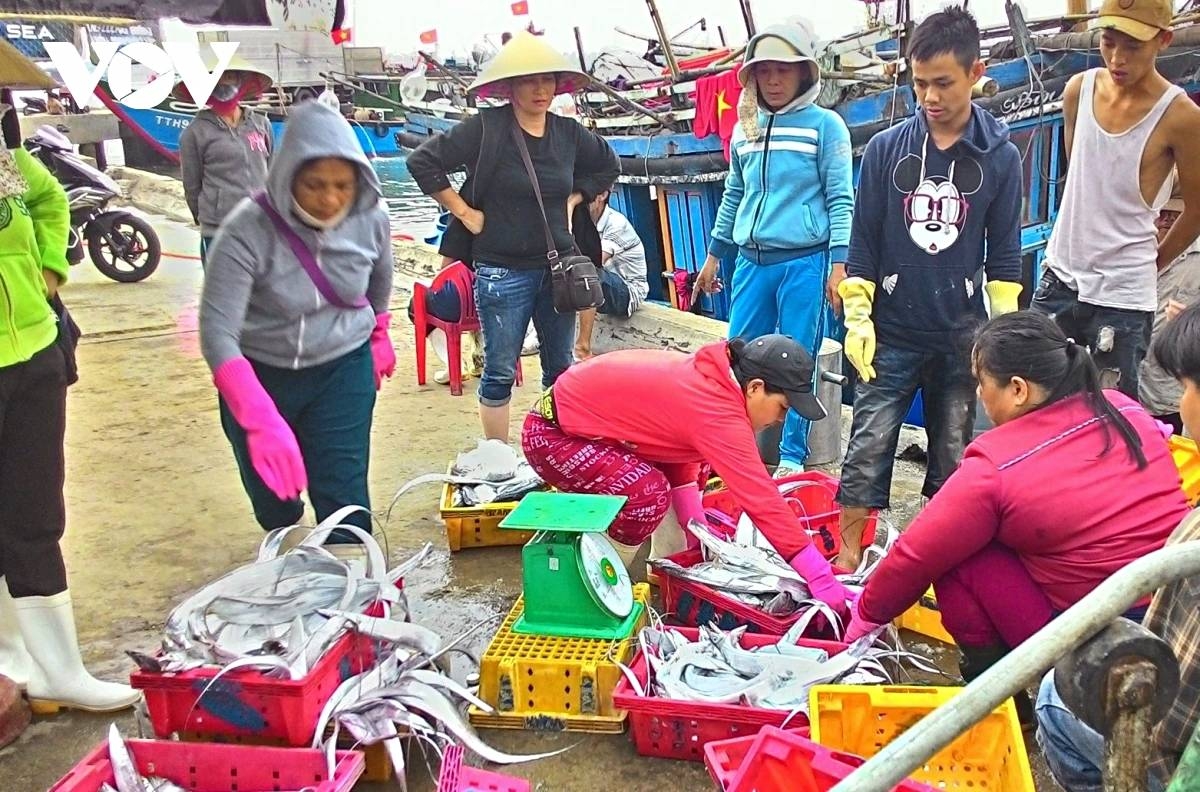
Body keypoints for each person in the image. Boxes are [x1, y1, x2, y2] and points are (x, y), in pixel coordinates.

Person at [843, 311, 1188, 720]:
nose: (979, 394)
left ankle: (1003, 697)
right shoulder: (1124, 409)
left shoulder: (996, 466)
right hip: (1175, 622)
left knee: (957, 558)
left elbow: (916, 555)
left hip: (1095, 646)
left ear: (1018, 389)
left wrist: (862, 620)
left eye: (981, 382)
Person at [834, 7, 1024, 570]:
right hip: (889, 331)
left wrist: (999, 331)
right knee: (866, 448)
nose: (930, 97)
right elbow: (863, 240)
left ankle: (943, 564)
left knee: (953, 456)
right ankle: (846, 559)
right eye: (919, 83)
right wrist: (858, 316)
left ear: (975, 72)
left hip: (961, 338)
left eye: (943, 83)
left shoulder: (1001, 157)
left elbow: (1005, 255)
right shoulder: (885, 151)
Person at [520, 334, 853, 613]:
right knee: (646, 494)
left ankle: (668, 567)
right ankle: (594, 584)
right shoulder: (717, 411)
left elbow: (675, 447)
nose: (781, 420)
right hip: (551, 437)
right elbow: (761, 499)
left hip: (591, 431)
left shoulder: (715, 382)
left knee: (694, 471)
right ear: (755, 388)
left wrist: (696, 532)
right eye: (783, 407)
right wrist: (818, 574)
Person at [199, 100, 396, 554]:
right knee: (277, 503)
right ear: (288, 175)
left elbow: (381, 280)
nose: (329, 199)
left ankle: (351, 598)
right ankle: (283, 554)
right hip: (261, 374)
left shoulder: (373, 218)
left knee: (344, 496)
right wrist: (256, 413)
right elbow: (217, 330)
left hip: (342, 368)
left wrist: (379, 331)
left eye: (342, 186)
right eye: (315, 184)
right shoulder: (245, 229)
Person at [407, 32, 619, 443]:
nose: (540, 90)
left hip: (559, 268)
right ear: (509, 87)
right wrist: (465, 213)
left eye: (547, 80)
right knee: (500, 368)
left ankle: (556, 449)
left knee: (559, 367)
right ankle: (497, 456)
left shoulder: (568, 133)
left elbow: (607, 165)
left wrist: (577, 195)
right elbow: (424, 162)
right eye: (528, 81)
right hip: (502, 271)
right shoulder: (486, 128)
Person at [0, 81, 138, 714]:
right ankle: (10, 661)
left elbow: (51, 199)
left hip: (31, 354)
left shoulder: (10, 161)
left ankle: (58, 669)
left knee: (34, 515)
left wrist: (49, 269)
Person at [1036, 302, 1200, 791]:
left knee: (1052, 697)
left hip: (1171, 764)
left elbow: (1169, 727)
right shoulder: (1130, 416)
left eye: (1189, 387)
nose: (1182, 402)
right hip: (1132, 606)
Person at [692, 20, 854, 478]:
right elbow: (732, 194)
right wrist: (713, 256)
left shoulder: (826, 127)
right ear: (753, 76)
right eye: (765, 71)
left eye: (785, 70)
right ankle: (730, 449)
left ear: (805, 73)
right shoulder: (745, 129)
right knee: (735, 358)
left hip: (805, 262)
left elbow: (842, 199)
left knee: (800, 359)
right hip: (750, 263)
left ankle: (791, 458)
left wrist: (838, 266)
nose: (775, 80)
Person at [1031, 0, 1200, 399]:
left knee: (1113, 412)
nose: (1117, 58)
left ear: (1163, 40)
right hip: (1061, 275)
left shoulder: (1179, 116)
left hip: (1123, 297)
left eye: (1133, 46)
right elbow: (1082, 179)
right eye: (1108, 42)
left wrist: (1154, 261)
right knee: (1033, 395)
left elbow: (1196, 208)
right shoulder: (1078, 90)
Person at [178, 55, 275, 266]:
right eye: (218, 78)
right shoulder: (195, 132)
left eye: (230, 77)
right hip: (219, 229)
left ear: (242, 82)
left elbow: (273, 172)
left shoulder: (261, 124)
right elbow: (192, 186)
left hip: (261, 224)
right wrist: (206, 216)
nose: (225, 83)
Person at [1140, 176, 1200, 435]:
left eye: (1173, 216)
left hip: (1172, 396)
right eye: (1160, 214)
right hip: (1131, 386)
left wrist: (1190, 321)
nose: (1164, 222)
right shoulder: (1132, 248)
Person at [574, 185, 649, 360]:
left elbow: (596, 261)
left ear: (601, 195)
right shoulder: (585, 222)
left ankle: (582, 348)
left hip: (628, 292)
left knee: (586, 273)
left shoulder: (616, 223)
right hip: (604, 289)